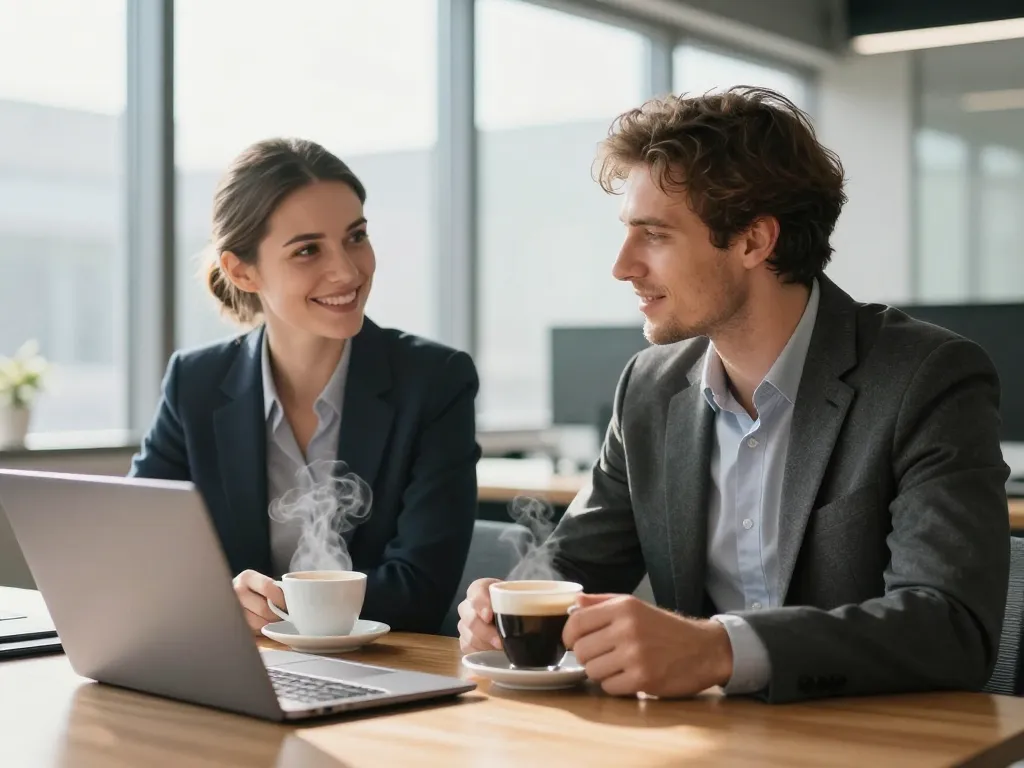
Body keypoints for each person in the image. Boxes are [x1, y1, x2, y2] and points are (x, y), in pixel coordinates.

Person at [457, 87, 1010, 703]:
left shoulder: (925, 377)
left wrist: (719, 649)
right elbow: (573, 568)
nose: (622, 265)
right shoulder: (649, 386)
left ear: (753, 241)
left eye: (655, 235)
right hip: (702, 741)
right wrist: (509, 603)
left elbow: (951, 626)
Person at [131, 138, 480, 635]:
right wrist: (221, 604)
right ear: (242, 271)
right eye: (308, 250)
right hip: (236, 667)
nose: (347, 270)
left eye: (355, 237)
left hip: (384, 675)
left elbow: (418, 591)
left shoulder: (434, 382)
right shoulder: (196, 383)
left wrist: (261, 607)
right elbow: (138, 553)